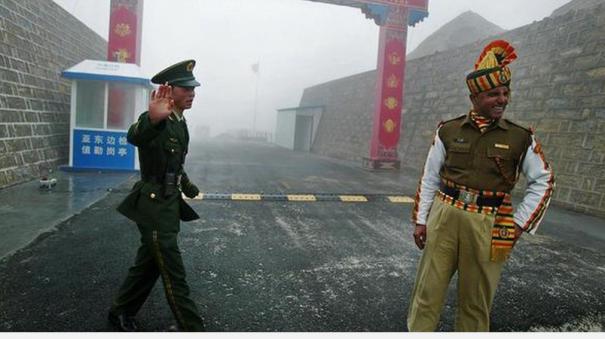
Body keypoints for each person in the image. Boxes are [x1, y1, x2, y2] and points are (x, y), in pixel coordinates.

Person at [406, 40, 555, 331]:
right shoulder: (448, 130)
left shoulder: (520, 137)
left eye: (505, 92)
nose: (502, 100)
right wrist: (421, 220)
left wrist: (519, 224)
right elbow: (430, 177)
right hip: (444, 216)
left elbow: (544, 180)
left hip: (490, 223)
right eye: (493, 94)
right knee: (427, 294)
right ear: (474, 97)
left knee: (476, 303)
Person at [108, 60, 205, 332]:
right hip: (153, 204)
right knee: (173, 272)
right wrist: (152, 119)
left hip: (169, 203)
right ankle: (193, 328)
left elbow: (174, 163)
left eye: (194, 88)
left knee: (150, 264)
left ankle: (120, 312)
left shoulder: (180, 122)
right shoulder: (157, 118)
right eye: (186, 88)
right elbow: (135, 136)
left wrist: (187, 185)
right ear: (169, 90)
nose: (192, 93)